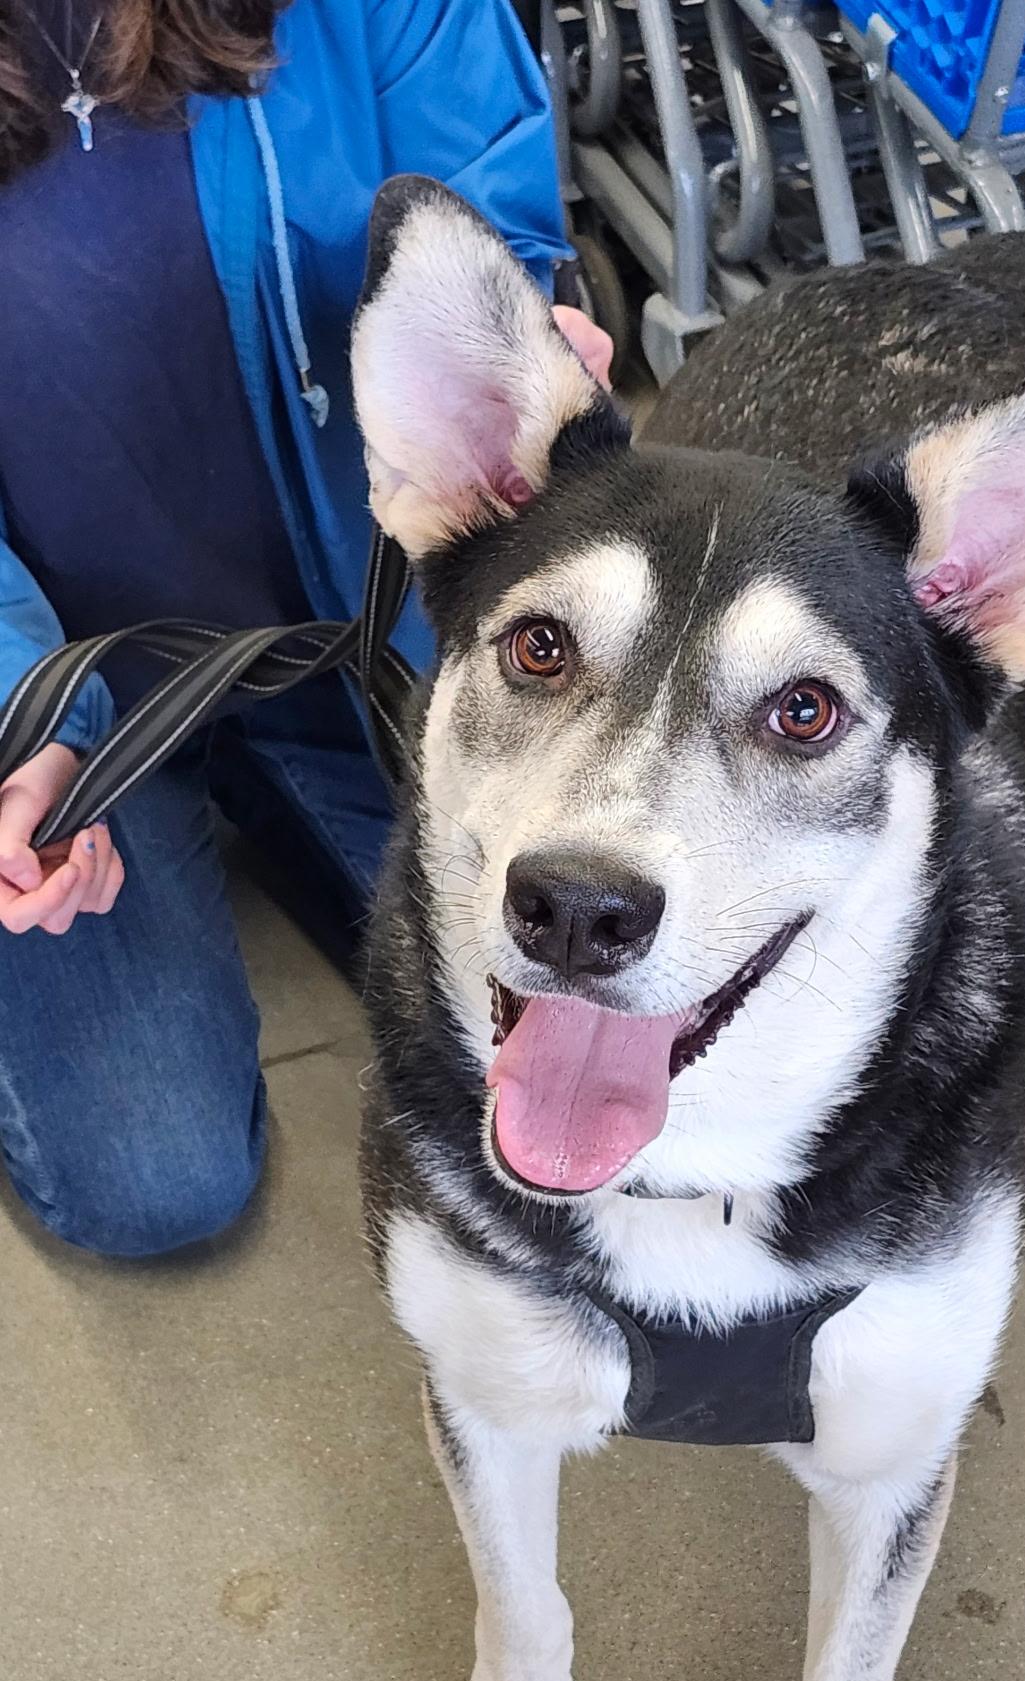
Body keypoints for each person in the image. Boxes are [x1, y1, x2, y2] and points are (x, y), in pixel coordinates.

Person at [0, 1, 610, 1258]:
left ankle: (282, 795)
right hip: (75, 695)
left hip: (369, 642)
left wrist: (532, 345)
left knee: (607, 1032)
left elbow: (494, 225)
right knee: (156, 1182)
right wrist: (21, 718)